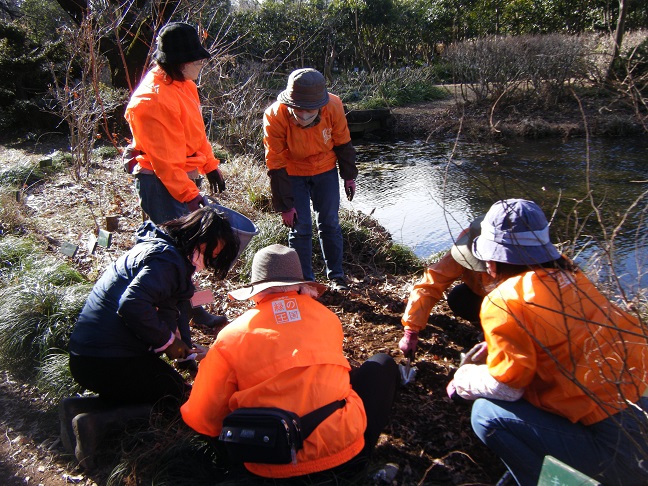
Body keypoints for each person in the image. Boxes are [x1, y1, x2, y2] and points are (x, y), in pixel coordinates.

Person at [446, 199, 648, 485]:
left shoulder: (503, 300)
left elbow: (507, 388)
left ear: (491, 261)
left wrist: (463, 379)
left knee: (485, 414)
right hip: (639, 414)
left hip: (617, 454)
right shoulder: (573, 277)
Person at [181, 244, 399, 480]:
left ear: (255, 290)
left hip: (268, 464)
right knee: (381, 364)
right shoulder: (328, 318)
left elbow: (203, 420)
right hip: (344, 455)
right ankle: (363, 468)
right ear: (301, 286)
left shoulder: (231, 337)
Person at [68, 206, 239, 410]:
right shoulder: (166, 261)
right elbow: (132, 304)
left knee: (171, 387)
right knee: (176, 399)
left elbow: (174, 309)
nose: (208, 259)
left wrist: (186, 355)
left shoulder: (166, 253)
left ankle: (81, 408)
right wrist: (168, 342)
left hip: (92, 354)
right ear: (198, 238)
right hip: (104, 359)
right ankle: (93, 422)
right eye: (208, 251)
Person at [124, 22, 229, 327]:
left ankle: (193, 311)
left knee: (190, 252)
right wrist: (192, 196)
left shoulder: (183, 84)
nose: (201, 66)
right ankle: (177, 323)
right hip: (159, 182)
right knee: (176, 254)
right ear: (182, 63)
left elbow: (195, 133)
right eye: (197, 62)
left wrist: (210, 165)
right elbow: (166, 164)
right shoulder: (152, 100)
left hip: (183, 176)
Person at [263, 68, 358, 291]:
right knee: (300, 228)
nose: (304, 115)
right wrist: (285, 205)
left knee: (330, 223)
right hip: (292, 172)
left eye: (310, 110)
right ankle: (304, 281)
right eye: (299, 110)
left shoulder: (334, 105)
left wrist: (349, 176)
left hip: (325, 169)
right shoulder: (274, 115)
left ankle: (337, 277)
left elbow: (343, 142)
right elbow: (275, 162)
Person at [399, 216, 494, 358]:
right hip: (485, 299)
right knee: (459, 297)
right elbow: (432, 281)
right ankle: (484, 326)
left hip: (519, 316)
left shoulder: (531, 277)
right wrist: (411, 330)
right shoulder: (470, 242)